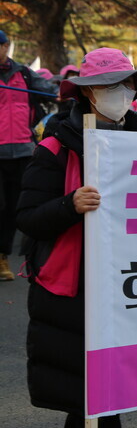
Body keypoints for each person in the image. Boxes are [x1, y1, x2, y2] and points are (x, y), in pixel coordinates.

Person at [16, 48, 137, 428]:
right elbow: (28, 218)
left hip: (131, 282)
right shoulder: (56, 146)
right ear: (87, 93)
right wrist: (70, 205)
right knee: (86, 399)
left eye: (126, 83)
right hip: (75, 287)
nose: (121, 92)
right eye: (108, 85)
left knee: (111, 390)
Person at [0, 29, 58, 281]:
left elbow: (49, 89)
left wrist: (62, 92)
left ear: (6, 47)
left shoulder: (23, 73)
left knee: (14, 208)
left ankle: (2, 257)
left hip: (23, 149)